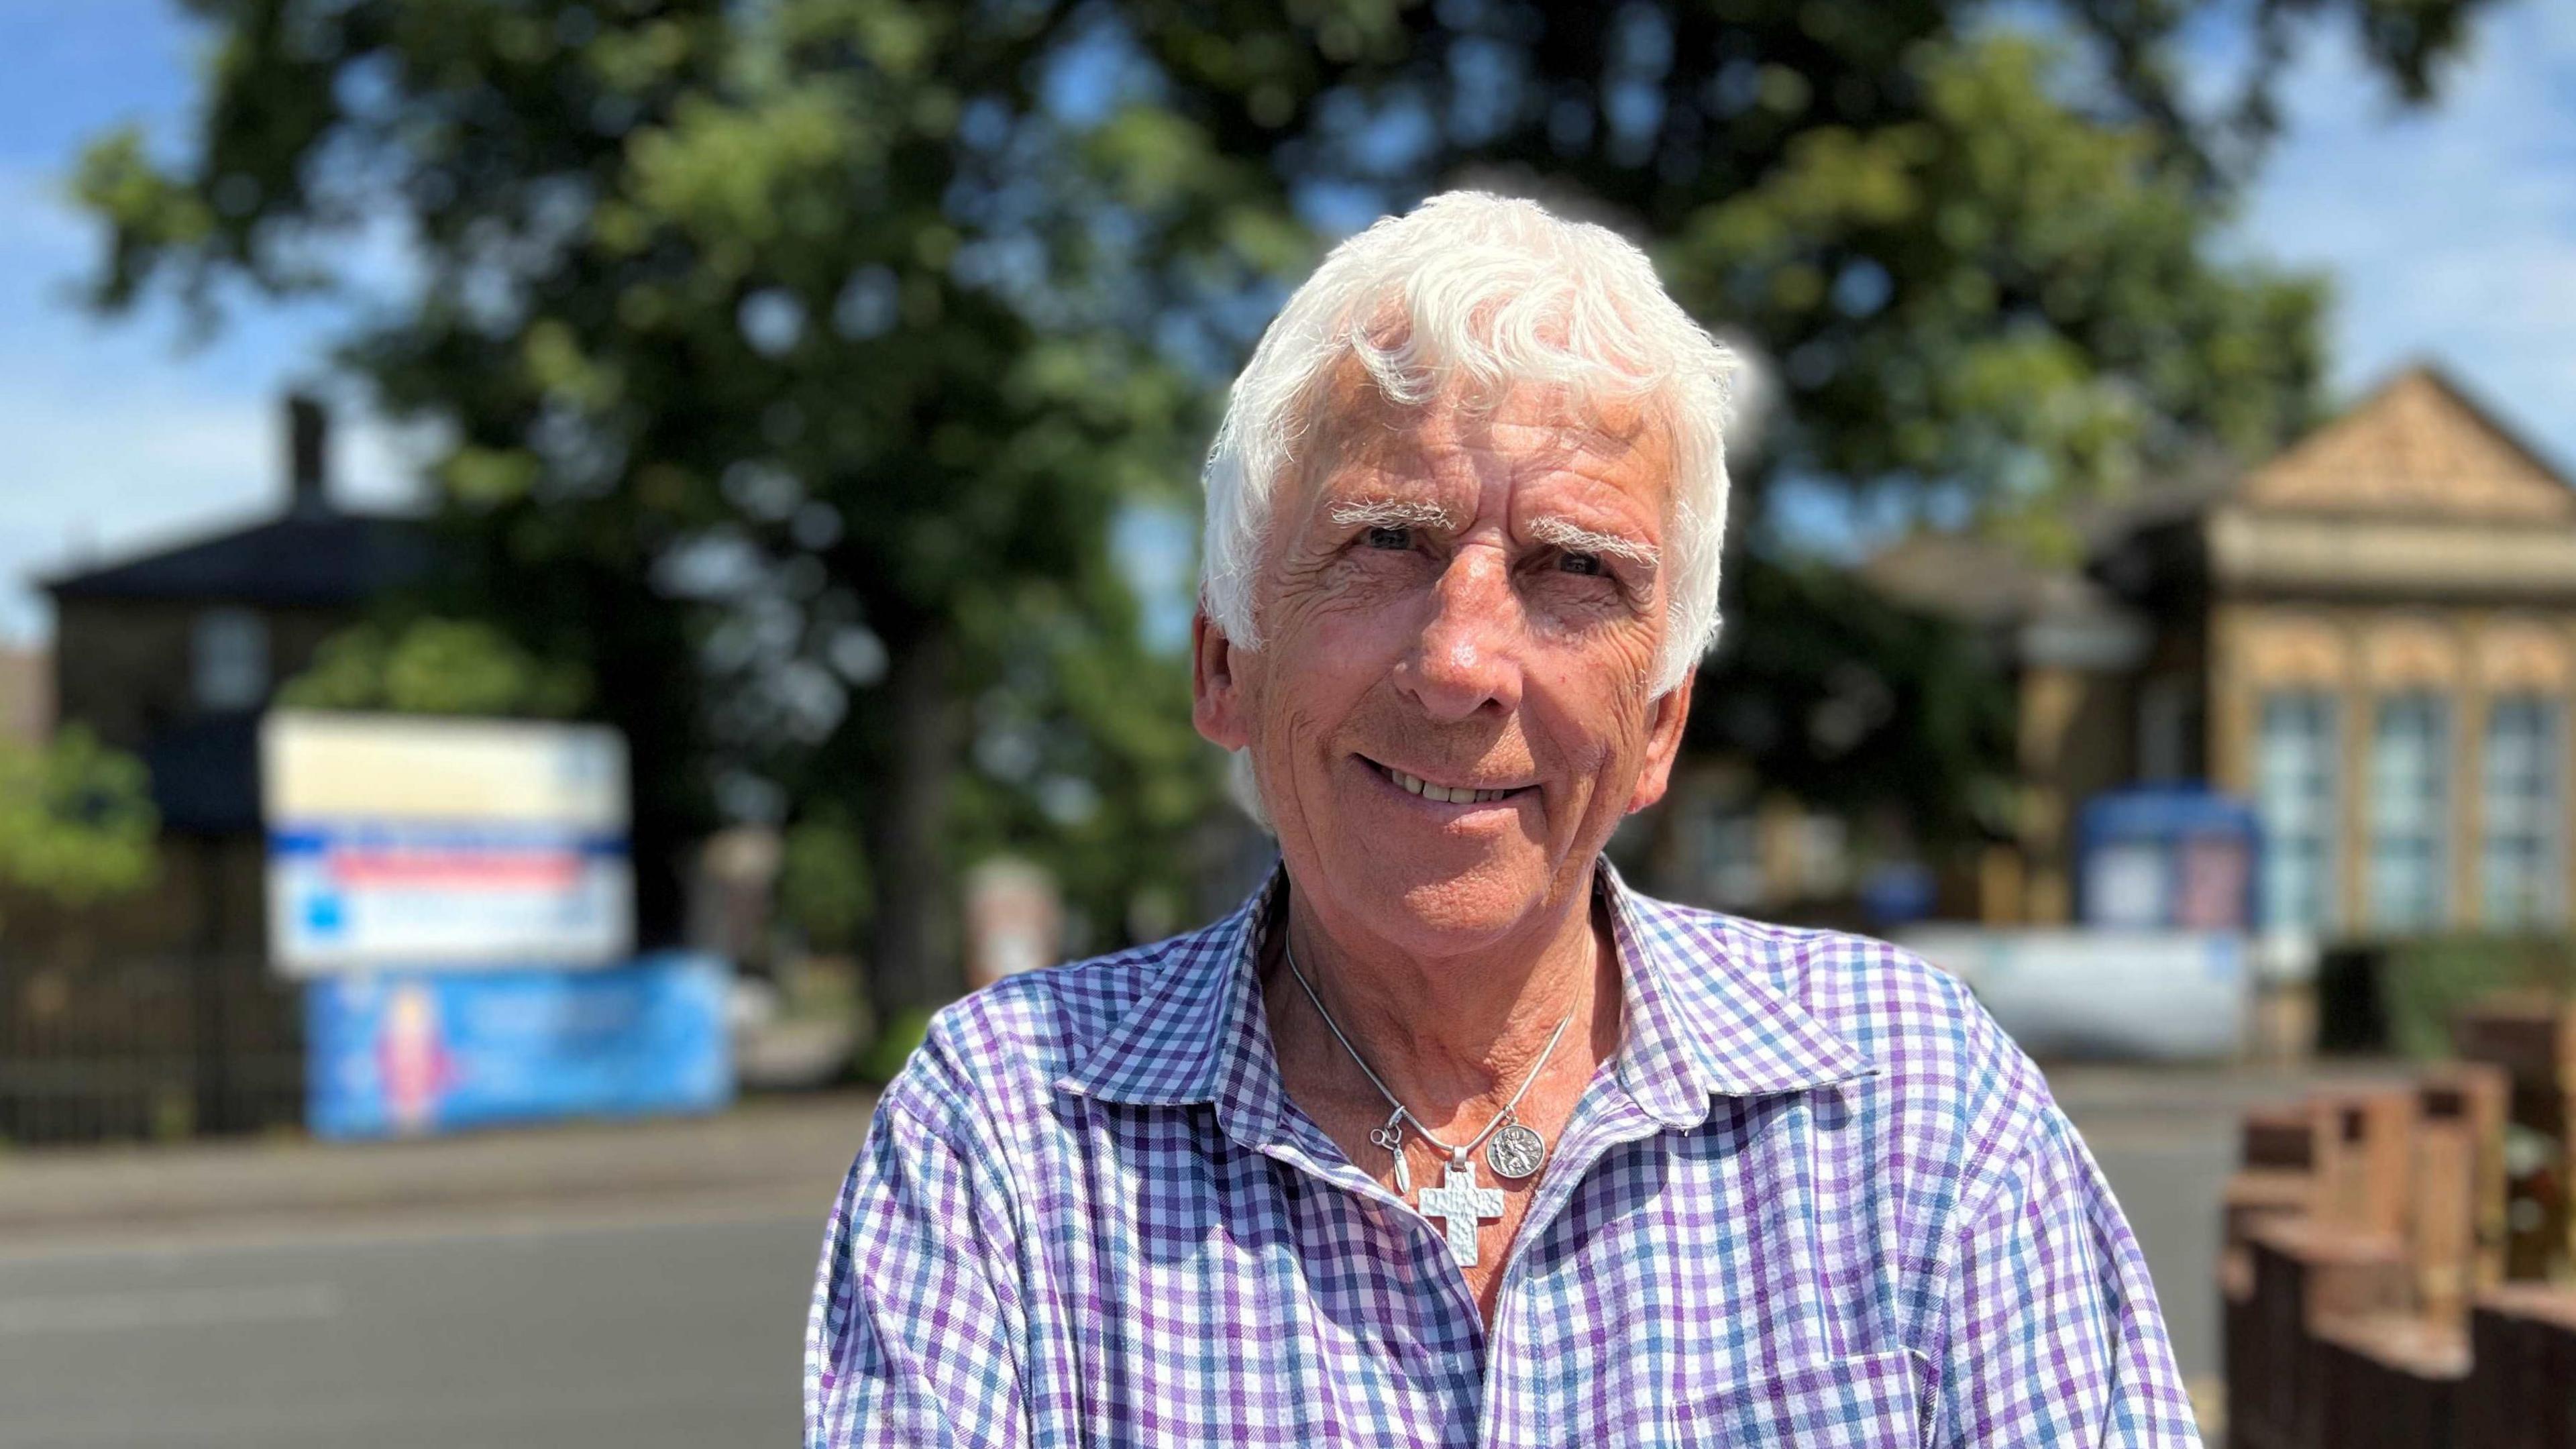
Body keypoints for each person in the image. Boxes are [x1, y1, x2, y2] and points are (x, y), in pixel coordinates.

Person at [805, 191, 2200, 1448]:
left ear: (1659, 724)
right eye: (1385, 543)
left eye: (1574, 568)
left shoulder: (1913, 1107)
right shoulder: (1006, 1135)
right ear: (1225, 663)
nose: (1463, 662)